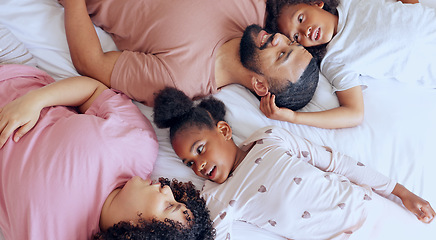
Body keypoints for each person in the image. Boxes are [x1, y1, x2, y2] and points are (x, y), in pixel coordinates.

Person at [152, 87, 436, 240]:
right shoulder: (217, 198)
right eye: (189, 163)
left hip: (370, 209)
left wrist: (400, 191)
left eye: (200, 150)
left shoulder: (269, 138)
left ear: (224, 131)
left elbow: (338, 163)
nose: (199, 165)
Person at [0, 63, 214, 239]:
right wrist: (34, 101)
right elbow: (92, 91)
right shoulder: (139, 145)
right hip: (12, 73)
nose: (167, 189)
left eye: (169, 205)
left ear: (141, 233)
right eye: (177, 198)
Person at [60, 0, 319, 112]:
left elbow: (90, 62)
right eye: (290, 43)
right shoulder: (255, 9)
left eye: (281, 54)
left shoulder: (178, 80)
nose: (278, 38)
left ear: (260, 85)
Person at [261, 0, 436, 129]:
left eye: (300, 18)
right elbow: (354, 113)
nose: (304, 31)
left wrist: (411, 7)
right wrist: (293, 117)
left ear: (316, 3)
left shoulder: (351, 3)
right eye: (297, 37)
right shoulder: (334, 60)